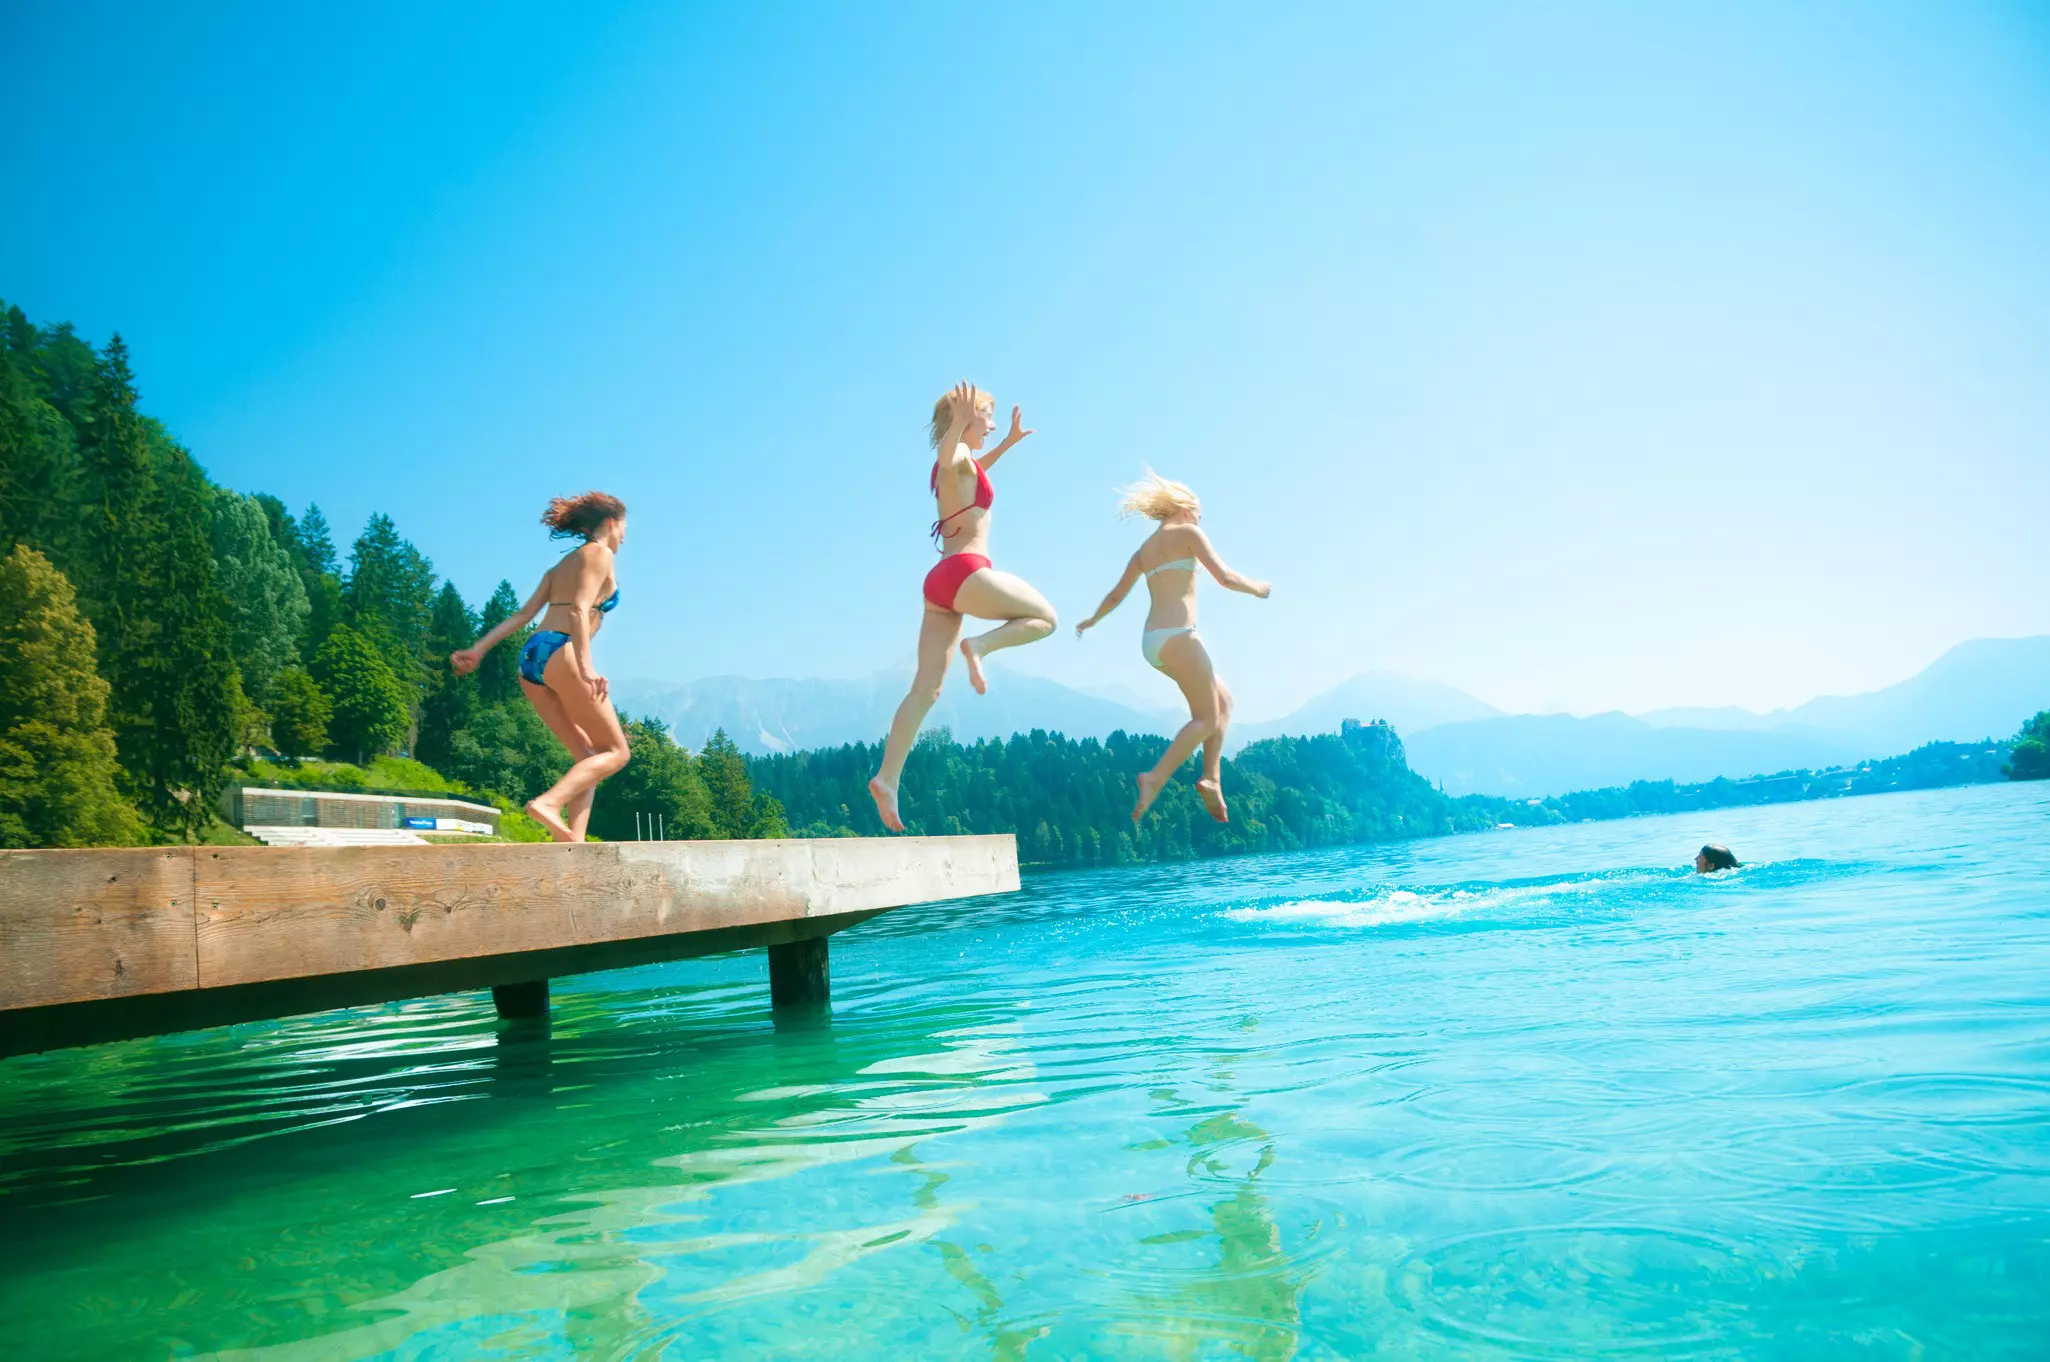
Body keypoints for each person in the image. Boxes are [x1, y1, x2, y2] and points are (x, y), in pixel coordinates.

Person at [867, 382, 1058, 832]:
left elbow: (973, 466)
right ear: (965, 419)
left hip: (940, 586)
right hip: (966, 571)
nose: (991, 424)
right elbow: (952, 454)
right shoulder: (950, 458)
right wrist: (956, 423)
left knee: (926, 690)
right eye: (986, 417)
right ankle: (981, 648)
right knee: (1046, 619)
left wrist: (1008, 444)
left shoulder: (963, 466)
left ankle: (887, 778)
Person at [1075, 470, 1270, 824]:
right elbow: (1225, 577)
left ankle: (1212, 778)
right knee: (1207, 717)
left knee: (1223, 702)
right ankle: (1156, 777)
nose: (1199, 520)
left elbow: (1117, 594)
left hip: (1152, 644)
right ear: (1184, 510)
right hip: (1180, 635)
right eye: (1198, 513)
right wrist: (1258, 588)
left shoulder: (1144, 551)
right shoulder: (1189, 533)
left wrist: (1092, 620)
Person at [451, 492, 631, 842]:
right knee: (616, 753)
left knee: (587, 756)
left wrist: (478, 649)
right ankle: (549, 804)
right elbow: (579, 610)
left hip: (532, 657)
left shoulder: (559, 567)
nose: (624, 536)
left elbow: (523, 615)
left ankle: (573, 841)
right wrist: (587, 667)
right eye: (624, 528)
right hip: (563, 652)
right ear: (611, 523)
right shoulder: (601, 553)